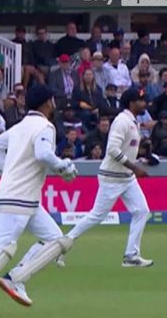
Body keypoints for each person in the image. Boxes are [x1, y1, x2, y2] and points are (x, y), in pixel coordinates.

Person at [0, 85, 78, 318]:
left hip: (23, 196)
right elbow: (42, 154)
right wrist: (63, 166)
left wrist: (6, 171)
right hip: (19, 197)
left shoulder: (20, 126)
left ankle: (16, 279)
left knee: (56, 239)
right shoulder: (45, 126)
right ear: (47, 102)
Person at [65, 88, 154, 268]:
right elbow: (112, 150)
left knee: (142, 211)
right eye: (141, 100)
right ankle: (62, 245)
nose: (144, 104)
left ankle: (131, 255)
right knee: (97, 216)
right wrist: (134, 167)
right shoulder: (122, 121)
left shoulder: (132, 121)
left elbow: (126, 147)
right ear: (131, 103)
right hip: (112, 177)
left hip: (126, 177)